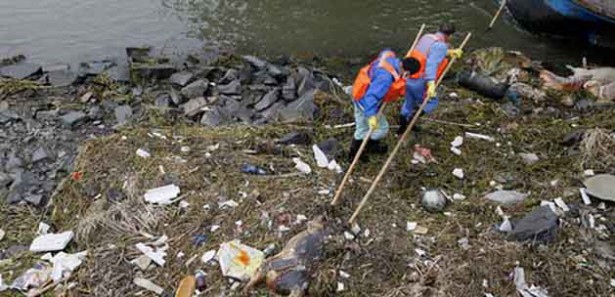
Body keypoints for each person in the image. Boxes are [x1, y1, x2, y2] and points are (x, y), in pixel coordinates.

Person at [349, 49, 421, 162]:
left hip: (361, 91)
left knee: (365, 127)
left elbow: (386, 51)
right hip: (364, 102)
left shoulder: (390, 59)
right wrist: (371, 116)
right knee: (378, 129)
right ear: (406, 73)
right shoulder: (385, 78)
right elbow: (371, 97)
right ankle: (354, 154)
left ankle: (371, 146)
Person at [398, 23, 464, 135]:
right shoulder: (441, 45)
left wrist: (450, 52)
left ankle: (402, 127)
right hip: (420, 80)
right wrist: (431, 83)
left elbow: (428, 52)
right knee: (432, 102)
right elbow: (431, 64)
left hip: (409, 77)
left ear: (438, 29)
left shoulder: (427, 37)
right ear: (450, 36)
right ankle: (411, 121)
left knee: (409, 102)